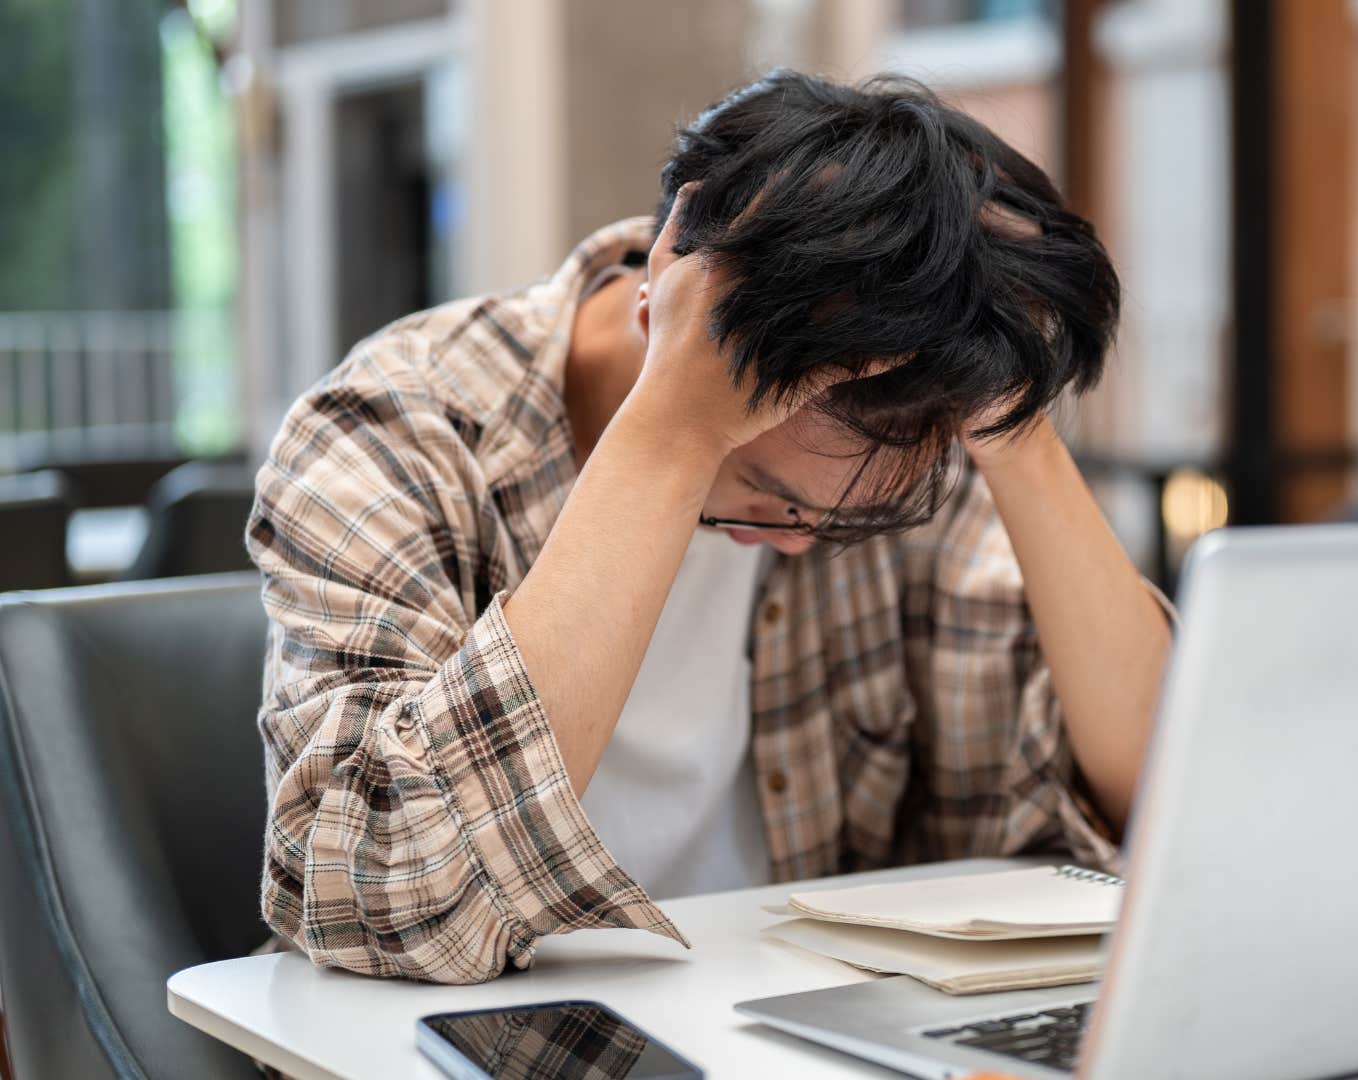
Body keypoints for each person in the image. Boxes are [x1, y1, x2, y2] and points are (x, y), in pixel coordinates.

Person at [247, 71, 1173, 985]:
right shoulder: (395, 430)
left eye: (847, 520)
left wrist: (1015, 434)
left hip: (786, 1030)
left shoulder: (888, 434)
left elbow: (1160, 801)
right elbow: (387, 895)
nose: (804, 540)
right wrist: (671, 434)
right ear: (664, 306)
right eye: (767, 494)